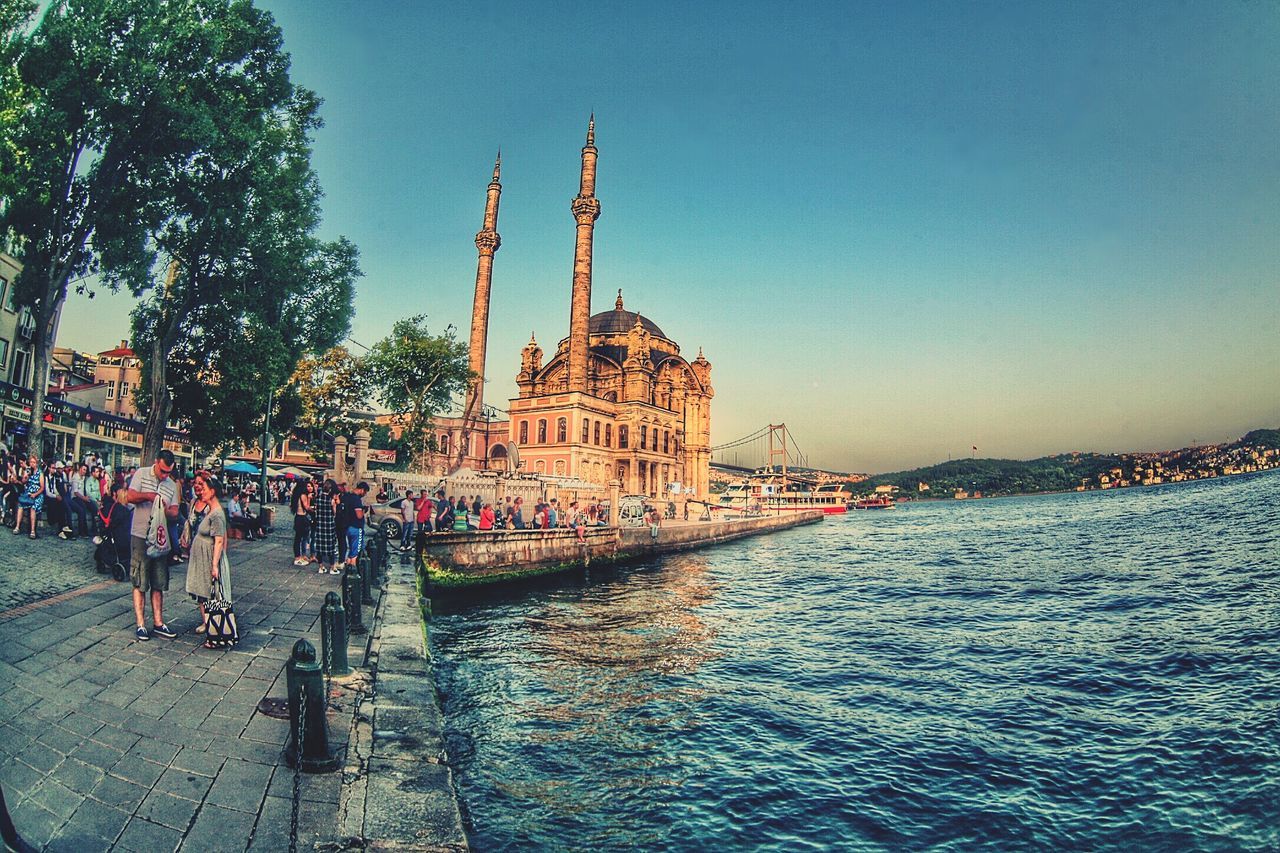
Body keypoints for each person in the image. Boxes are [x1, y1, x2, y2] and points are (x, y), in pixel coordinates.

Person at [126, 449, 180, 641]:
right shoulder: (141, 474)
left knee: (159, 581)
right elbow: (130, 496)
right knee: (140, 579)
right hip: (141, 534)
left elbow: (175, 511)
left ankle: (158, 622)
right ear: (156, 462)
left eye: (168, 472)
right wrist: (149, 496)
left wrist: (166, 510)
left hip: (160, 537)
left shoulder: (171, 484)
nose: (164, 475)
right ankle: (140, 624)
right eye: (163, 470)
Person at [183, 471, 231, 646]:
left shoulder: (216, 513)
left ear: (212, 491)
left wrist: (215, 565)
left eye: (204, 487)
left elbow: (219, 540)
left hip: (210, 555)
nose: (200, 490)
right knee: (206, 594)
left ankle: (217, 635)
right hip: (201, 554)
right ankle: (215, 632)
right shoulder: (209, 509)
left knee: (215, 596)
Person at [313, 479, 340, 575]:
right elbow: (335, 513)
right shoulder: (331, 500)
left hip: (320, 525)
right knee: (331, 547)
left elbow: (316, 511)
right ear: (330, 490)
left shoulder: (318, 499)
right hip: (329, 526)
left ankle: (321, 567)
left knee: (320, 547)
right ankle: (332, 568)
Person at [339, 482, 369, 570]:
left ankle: (349, 570)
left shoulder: (347, 497)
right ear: (362, 490)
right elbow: (359, 515)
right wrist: (364, 510)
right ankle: (354, 571)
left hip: (348, 526)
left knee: (351, 551)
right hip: (356, 527)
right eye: (365, 492)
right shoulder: (356, 500)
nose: (364, 494)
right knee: (356, 552)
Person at [14, 455, 44, 539]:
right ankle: (17, 527)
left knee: (33, 508)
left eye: (34, 462)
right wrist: (26, 476)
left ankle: (32, 531)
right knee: (20, 505)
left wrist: (35, 494)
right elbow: (23, 482)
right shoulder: (27, 470)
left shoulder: (40, 473)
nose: (32, 464)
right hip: (28, 493)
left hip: (37, 494)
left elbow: (42, 487)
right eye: (31, 462)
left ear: (36, 464)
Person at [290, 480, 313, 566]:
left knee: (297, 538)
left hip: (297, 517)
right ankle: (298, 558)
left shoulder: (296, 495)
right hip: (302, 517)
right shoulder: (303, 495)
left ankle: (297, 556)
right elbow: (307, 507)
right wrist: (309, 499)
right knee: (301, 538)